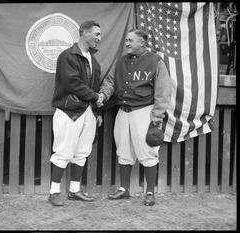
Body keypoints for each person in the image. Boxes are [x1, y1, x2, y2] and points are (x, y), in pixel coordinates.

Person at [98, 29, 172, 206]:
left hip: (144, 111)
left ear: (142, 42)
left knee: (148, 152)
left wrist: (157, 116)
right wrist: (102, 95)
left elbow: (163, 91)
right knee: (123, 150)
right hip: (123, 111)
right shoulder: (121, 61)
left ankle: (149, 192)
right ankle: (124, 190)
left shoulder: (155, 61)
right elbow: (109, 82)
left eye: (131, 41)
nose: (127, 44)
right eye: (127, 40)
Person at [48, 20, 104, 206]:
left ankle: (74, 190)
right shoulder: (68, 56)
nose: (99, 38)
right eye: (96, 34)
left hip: (87, 111)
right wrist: (95, 97)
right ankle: (54, 192)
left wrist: (96, 111)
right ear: (85, 33)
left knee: (82, 152)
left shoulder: (93, 61)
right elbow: (72, 83)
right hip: (68, 110)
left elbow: (93, 87)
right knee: (63, 151)